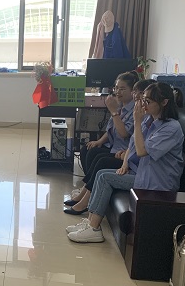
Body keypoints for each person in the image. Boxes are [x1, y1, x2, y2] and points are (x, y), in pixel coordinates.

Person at [67, 82, 184, 243]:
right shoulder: (149, 120)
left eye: (148, 101)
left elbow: (142, 150)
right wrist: (125, 164)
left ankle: (94, 229)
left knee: (105, 178)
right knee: (102, 173)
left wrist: (137, 122)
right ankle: (90, 222)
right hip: (141, 174)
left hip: (157, 183)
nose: (143, 105)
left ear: (164, 102)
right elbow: (132, 144)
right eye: (143, 100)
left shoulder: (171, 128)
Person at [64, 78, 154, 215]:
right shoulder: (125, 107)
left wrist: (113, 111)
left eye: (122, 89)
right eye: (116, 88)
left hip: (125, 154)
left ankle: (86, 200)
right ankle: (87, 193)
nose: (118, 92)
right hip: (121, 151)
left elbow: (126, 135)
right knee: (89, 150)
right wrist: (99, 141)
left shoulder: (140, 115)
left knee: (101, 161)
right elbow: (113, 131)